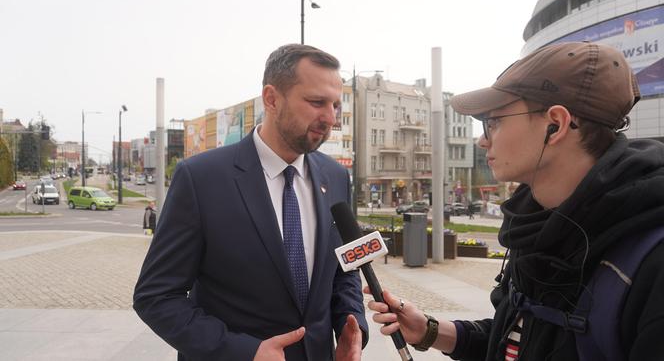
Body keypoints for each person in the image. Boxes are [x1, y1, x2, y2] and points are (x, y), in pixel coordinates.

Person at [367, 42, 664, 360]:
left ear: (556, 125)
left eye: (493, 122)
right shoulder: (536, 227)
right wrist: (432, 331)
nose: (482, 140)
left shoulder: (652, 264)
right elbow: (520, 339)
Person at [134, 44, 367, 361]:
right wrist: (245, 351)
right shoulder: (201, 178)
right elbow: (157, 296)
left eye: (336, 105)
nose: (330, 117)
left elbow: (344, 270)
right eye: (316, 102)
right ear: (272, 99)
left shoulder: (335, 176)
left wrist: (352, 325)